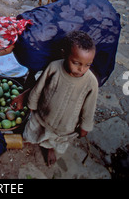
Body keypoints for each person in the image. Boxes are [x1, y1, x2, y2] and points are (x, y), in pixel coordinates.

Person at [0, 0, 121, 89]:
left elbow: (52, 67)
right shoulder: (22, 20)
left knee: (89, 64)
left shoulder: (28, 52)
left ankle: (85, 94)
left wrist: (32, 89)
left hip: (103, 22)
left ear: (5, 47)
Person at [23, 30, 98, 166]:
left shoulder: (91, 82)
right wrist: (32, 105)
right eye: (76, 63)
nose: (81, 69)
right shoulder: (54, 68)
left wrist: (85, 126)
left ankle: (50, 148)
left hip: (66, 124)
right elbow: (39, 87)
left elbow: (89, 107)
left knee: (56, 139)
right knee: (36, 129)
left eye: (87, 65)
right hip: (43, 114)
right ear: (65, 54)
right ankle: (32, 140)